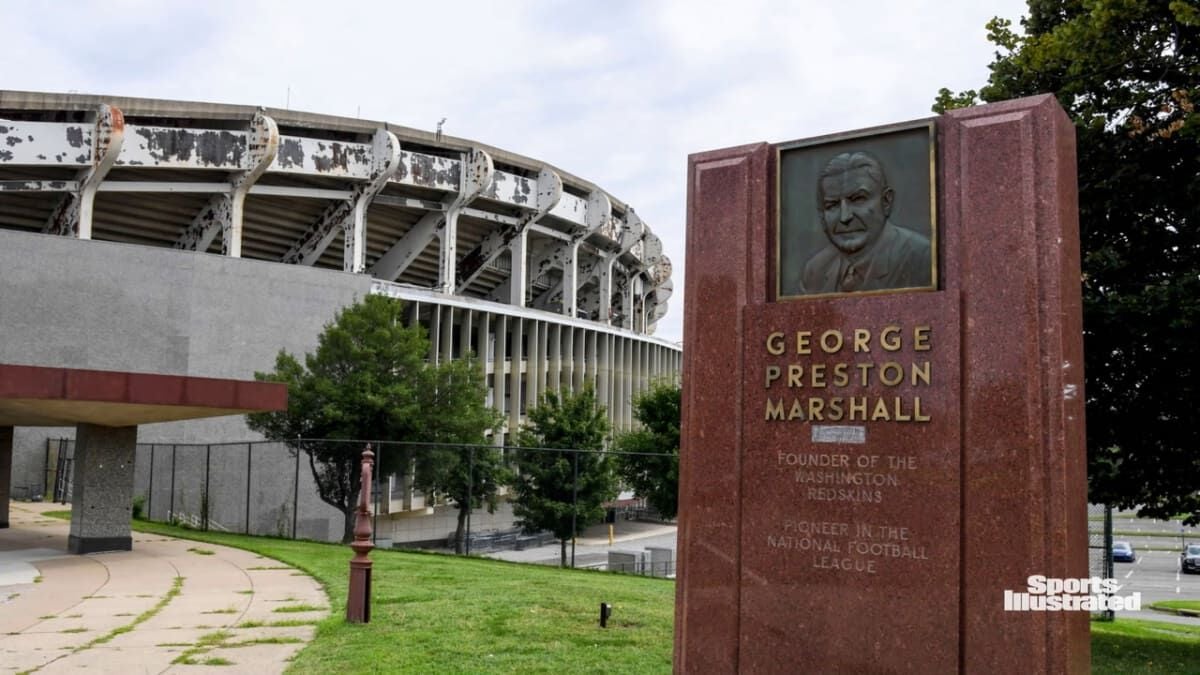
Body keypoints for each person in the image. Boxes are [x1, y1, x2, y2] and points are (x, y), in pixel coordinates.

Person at [792, 151, 931, 295]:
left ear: (886, 202)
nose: (844, 217)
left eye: (858, 199)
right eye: (832, 205)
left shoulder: (922, 259)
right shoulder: (815, 270)